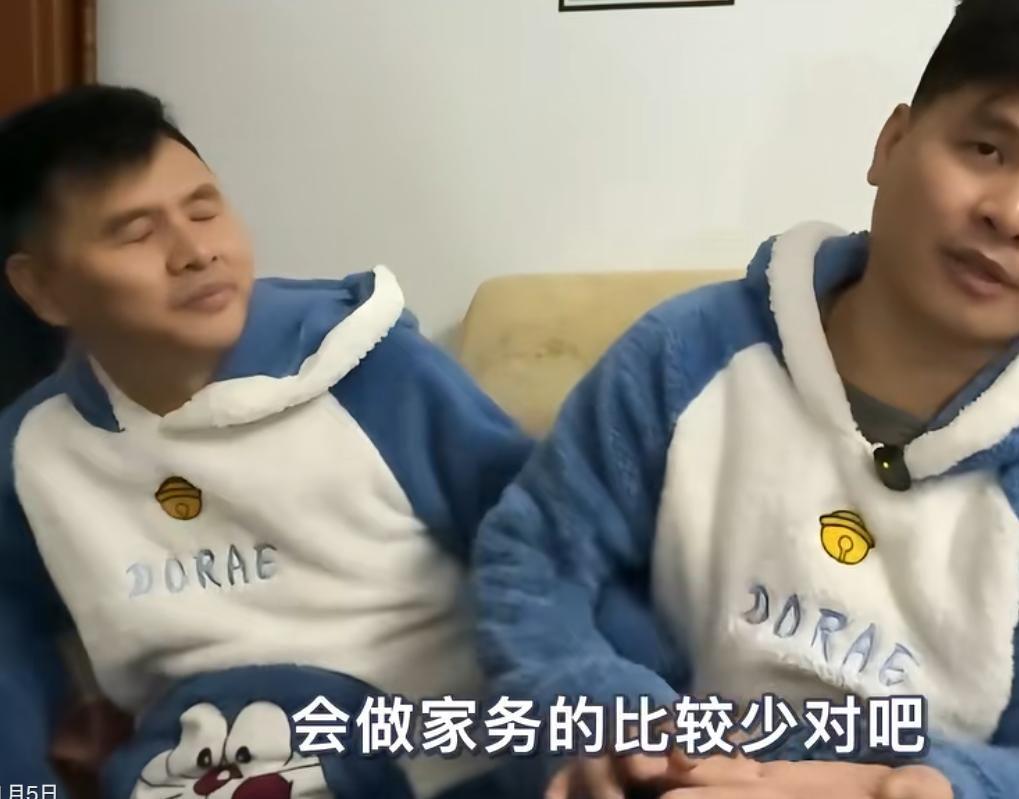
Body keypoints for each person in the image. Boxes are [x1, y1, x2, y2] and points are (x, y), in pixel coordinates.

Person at [473, 1, 1019, 796]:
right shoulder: (681, 356)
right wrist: (611, 726)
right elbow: (533, 560)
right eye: (987, 148)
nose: (1006, 213)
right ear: (891, 142)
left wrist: (907, 787)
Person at [0, 84, 539, 799]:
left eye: (204, 210)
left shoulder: (372, 370)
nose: (196, 252)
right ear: (42, 288)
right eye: (135, 233)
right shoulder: (31, 450)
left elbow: (553, 549)